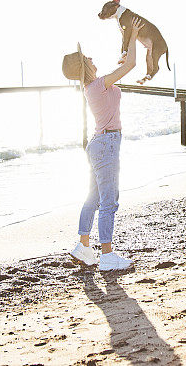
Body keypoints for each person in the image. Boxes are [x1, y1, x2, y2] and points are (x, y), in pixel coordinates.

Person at [61, 16, 144, 271]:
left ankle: (84, 247)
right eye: (88, 58)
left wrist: (125, 48)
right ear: (85, 65)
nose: (91, 58)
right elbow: (131, 63)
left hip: (99, 143)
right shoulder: (97, 85)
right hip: (106, 143)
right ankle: (107, 256)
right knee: (109, 201)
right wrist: (132, 35)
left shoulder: (93, 87)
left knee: (93, 198)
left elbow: (121, 69)